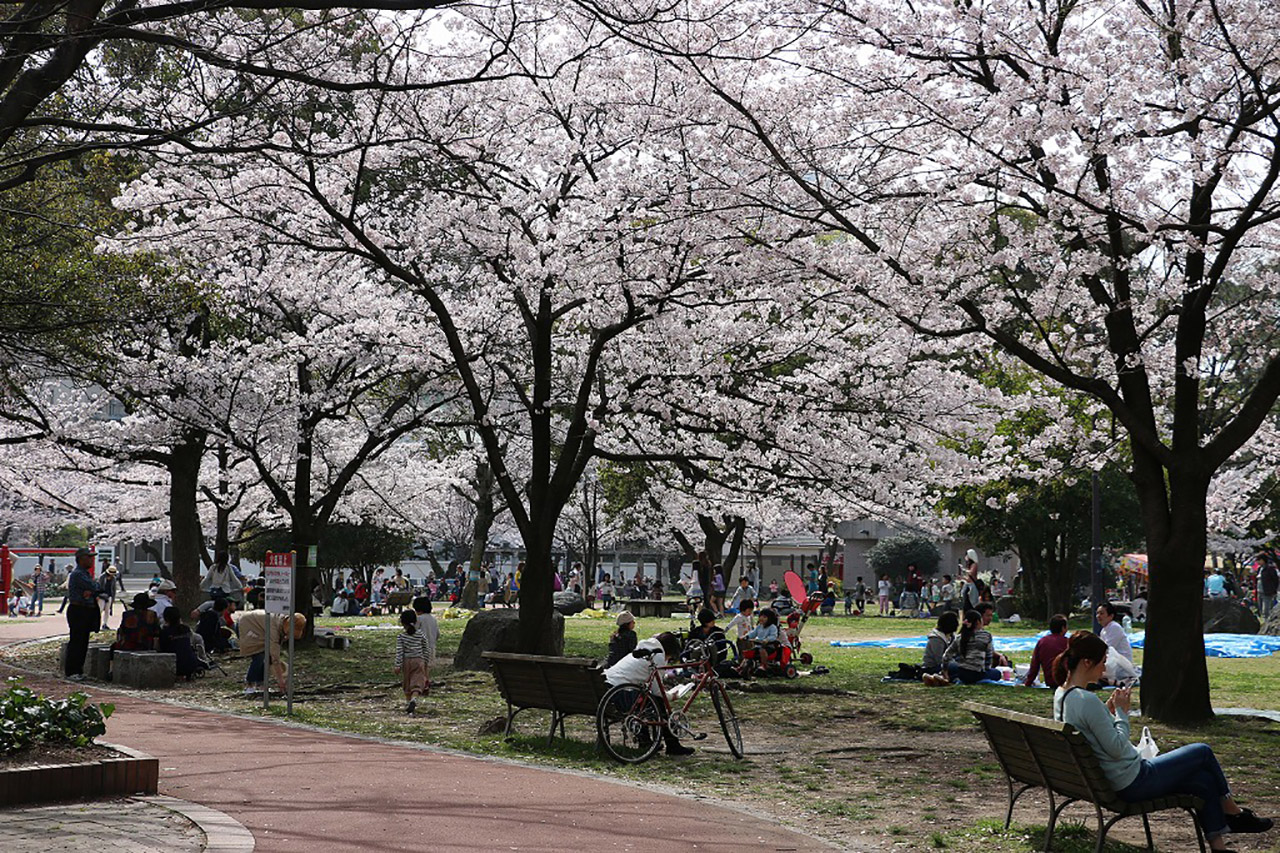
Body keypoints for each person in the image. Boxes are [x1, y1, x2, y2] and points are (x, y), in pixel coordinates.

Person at [1053, 631, 1273, 851]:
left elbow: (1095, 735)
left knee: (1203, 779)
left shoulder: (1062, 695)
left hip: (1105, 781)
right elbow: (1118, 749)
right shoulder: (1086, 700)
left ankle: (1219, 848)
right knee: (1202, 751)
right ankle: (1233, 812)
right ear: (1087, 662)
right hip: (1131, 781)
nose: (1104, 669)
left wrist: (1107, 712)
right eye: (1102, 662)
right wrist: (1121, 713)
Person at [602, 631, 695, 756]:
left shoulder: (643, 648)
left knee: (647, 701)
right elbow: (657, 691)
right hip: (621, 694)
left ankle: (647, 742)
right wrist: (671, 696)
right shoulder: (658, 656)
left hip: (606, 689)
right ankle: (672, 745)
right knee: (659, 703)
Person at [237, 610, 306, 695]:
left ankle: (261, 684)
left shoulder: (281, 623)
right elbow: (275, 658)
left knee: (266, 656)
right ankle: (249, 684)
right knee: (259, 656)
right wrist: (280, 680)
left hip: (260, 628)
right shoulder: (274, 628)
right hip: (247, 624)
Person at [64, 548, 102, 680]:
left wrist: (92, 590)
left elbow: (95, 587)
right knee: (77, 641)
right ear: (80, 559)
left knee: (83, 642)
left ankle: (78, 670)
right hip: (78, 610)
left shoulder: (85, 573)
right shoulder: (78, 574)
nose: (91, 559)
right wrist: (93, 589)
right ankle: (72, 671)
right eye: (88, 557)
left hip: (86, 609)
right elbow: (96, 586)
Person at [937, 609, 1000, 685]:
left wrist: (945, 671)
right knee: (997, 673)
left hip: (962, 673)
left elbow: (946, 656)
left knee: (952, 666)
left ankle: (951, 678)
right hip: (978, 674)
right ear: (978, 622)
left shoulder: (959, 637)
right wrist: (986, 670)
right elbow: (989, 657)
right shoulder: (986, 636)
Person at [395, 609, 432, 714]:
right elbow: (426, 649)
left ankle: (408, 702)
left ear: (402, 623)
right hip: (419, 660)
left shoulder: (401, 637)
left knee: (407, 682)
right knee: (417, 682)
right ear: (415, 622)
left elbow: (399, 652)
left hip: (407, 662)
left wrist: (397, 665)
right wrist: (426, 662)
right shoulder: (420, 634)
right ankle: (414, 699)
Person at [1024, 614, 1070, 688]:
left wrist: (1028, 682)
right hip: (1067, 682)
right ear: (1063, 628)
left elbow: (1034, 665)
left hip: (1050, 682)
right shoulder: (1068, 643)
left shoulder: (1042, 641)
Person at [159, 606, 204, 679]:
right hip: (191, 665)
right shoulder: (186, 629)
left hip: (175, 666)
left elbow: (162, 648)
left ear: (165, 618)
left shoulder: (164, 632)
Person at [922, 611, 960, 676]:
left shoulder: (952, 637)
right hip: (933, 667)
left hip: (950, 662)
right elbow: (939, 660)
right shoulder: (936, 639)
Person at [98, 565, 125, 629]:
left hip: (109, 595)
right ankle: (96, 624)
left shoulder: (114, 579)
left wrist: (113, 598)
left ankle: (105, 624)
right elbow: (98, 586)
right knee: (100, 610)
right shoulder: (102, 577)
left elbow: (114, 589)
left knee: (107, 611)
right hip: (102, 596)